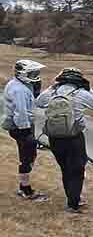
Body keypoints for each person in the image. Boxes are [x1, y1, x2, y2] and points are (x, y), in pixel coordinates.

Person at [35, 67, 93, 214]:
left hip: (54, 137)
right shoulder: (82, 93)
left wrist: (52, 86)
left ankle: (72, 198)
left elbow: (38, 103)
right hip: (74, 137)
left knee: (65, 168)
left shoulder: (52, 92)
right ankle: (73, 203)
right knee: (77, 169)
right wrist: (89, 88)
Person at [3, 59, 48, 201]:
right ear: (22, 73)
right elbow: (21, 112)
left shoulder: (21, 84)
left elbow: (31, 100)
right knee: (27, 157)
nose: (35, 75)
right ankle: (25, 189)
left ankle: (24, 186)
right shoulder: (19, 89)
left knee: (29, 155)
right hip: (21, 127)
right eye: (32, 73)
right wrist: (26, 131)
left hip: (23, 125)